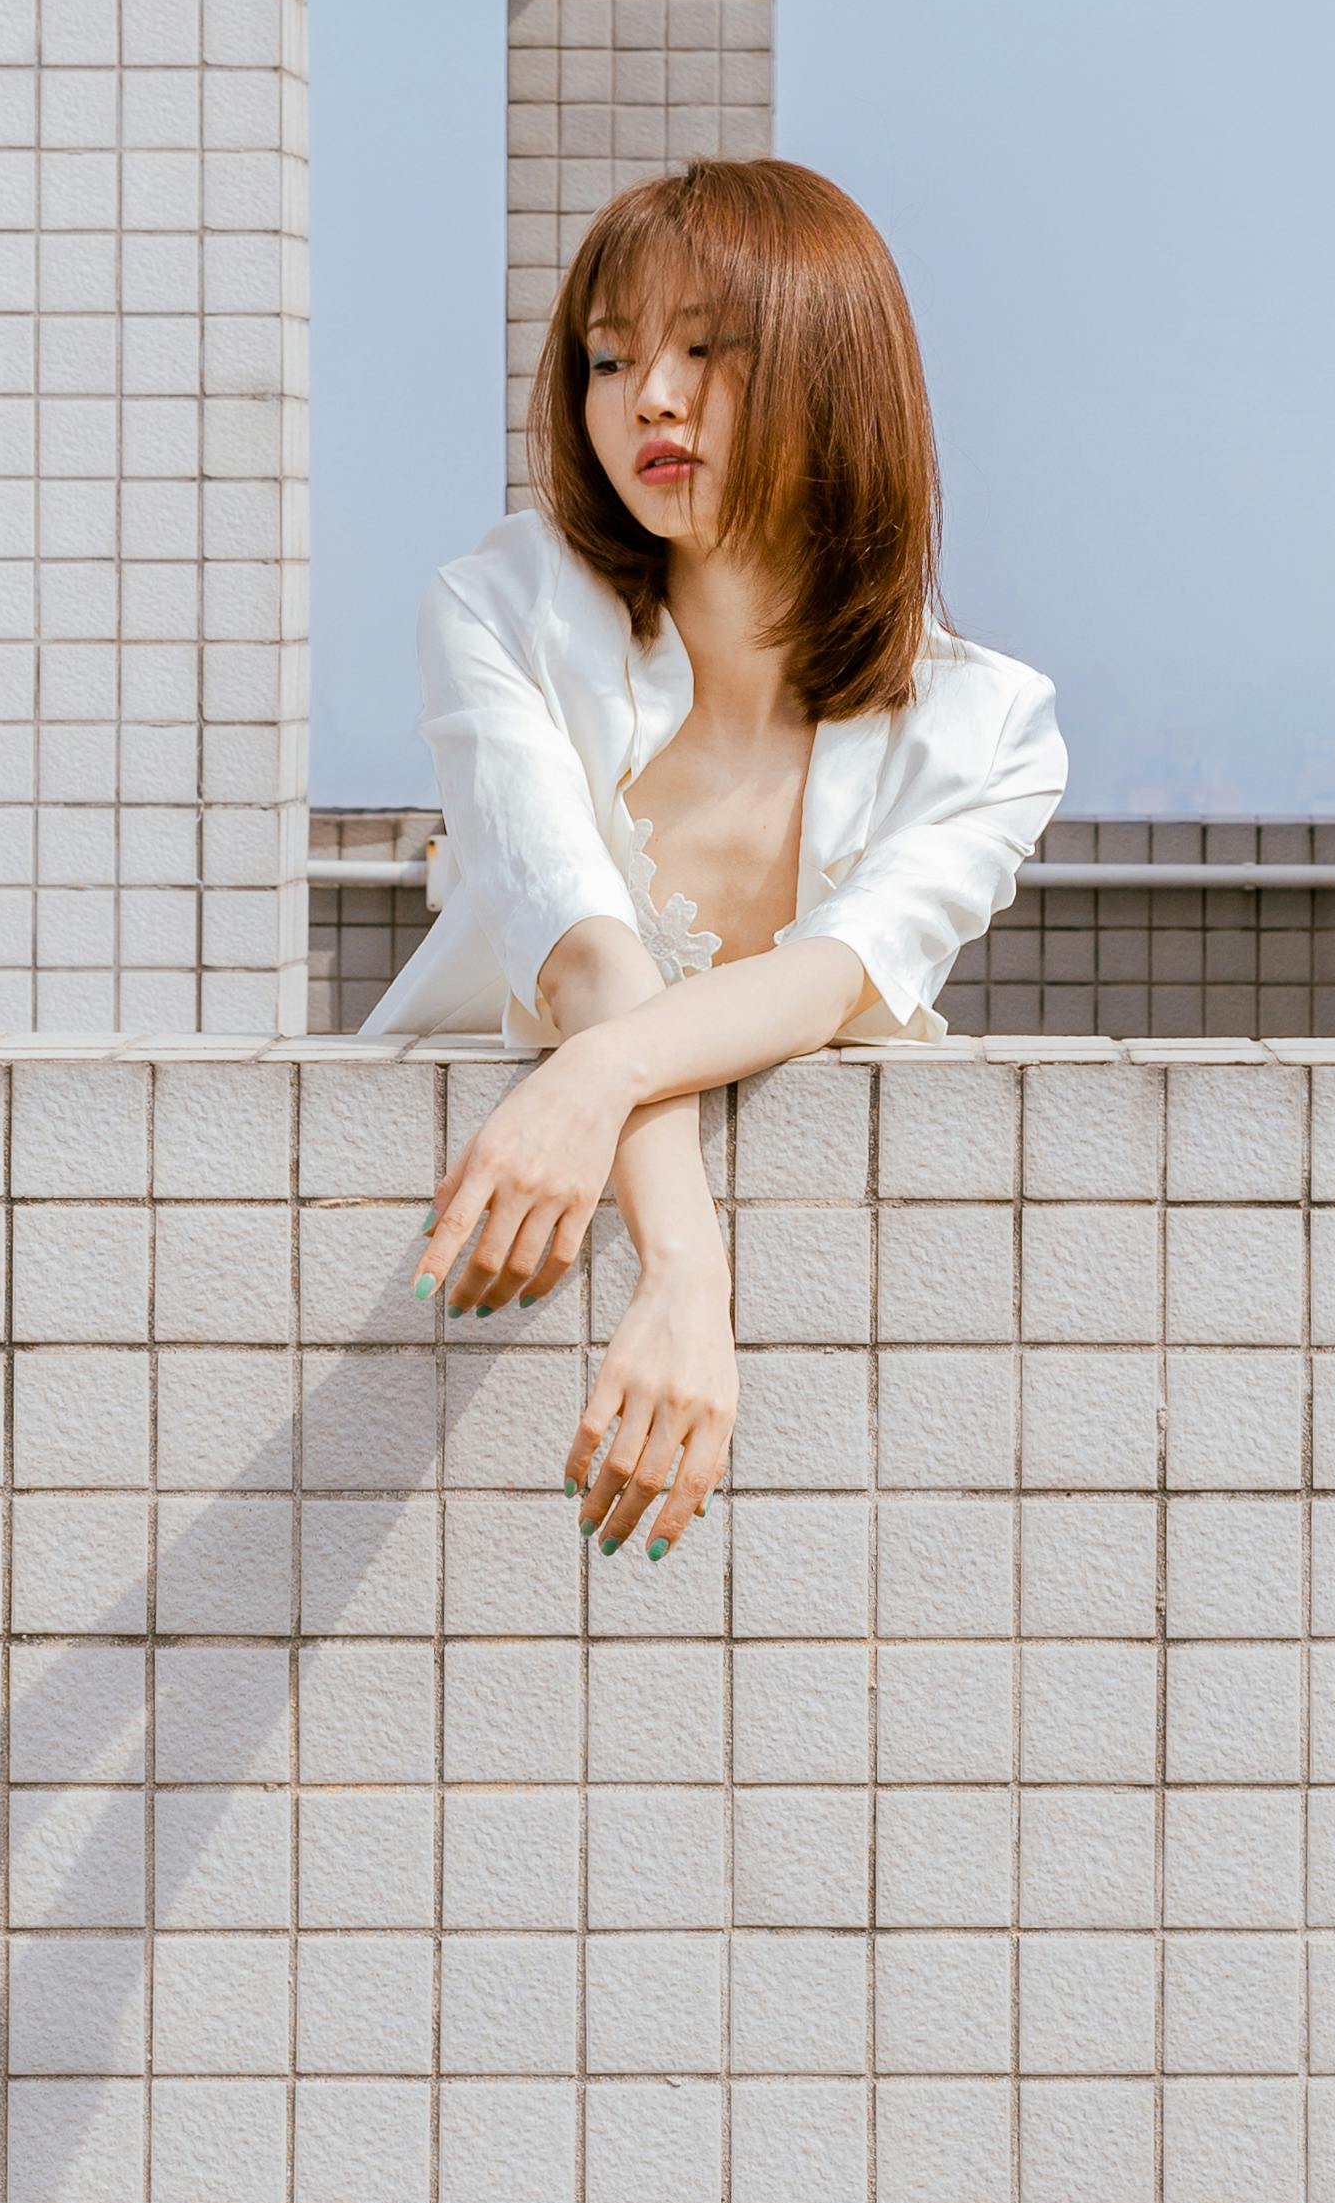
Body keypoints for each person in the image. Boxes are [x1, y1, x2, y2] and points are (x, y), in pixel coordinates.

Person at [364, 158, 1065, 1569]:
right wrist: (684, 1269)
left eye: (703, 352)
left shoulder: (993, 727)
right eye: (609, 359)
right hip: (423, 1278)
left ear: (831, 369)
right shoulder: (505, 606)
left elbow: (838, 972)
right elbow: (571, 934)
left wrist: (605, 1074)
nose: (649, 402)